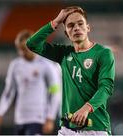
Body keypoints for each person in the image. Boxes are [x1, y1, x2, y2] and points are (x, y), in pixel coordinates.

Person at [26, 6, 115, 135]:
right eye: (71, 25)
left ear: (88, 28)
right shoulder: (63, 54)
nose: (76, 28)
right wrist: (56, 21)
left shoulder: (103, 53)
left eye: (80, 24)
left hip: (96, 128)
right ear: (67, 33)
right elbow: (32, 44)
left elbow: (106, 87)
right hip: (68, 129)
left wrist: (86, 108)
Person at [0, 30, 61, 135]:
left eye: (25, 49)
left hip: (38, 118)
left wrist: (50, 117)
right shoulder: (15, 65)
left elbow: (55, 92)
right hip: (20, 118)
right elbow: (9, 92)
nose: (22, 53)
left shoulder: (46, 65)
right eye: (20, 49)